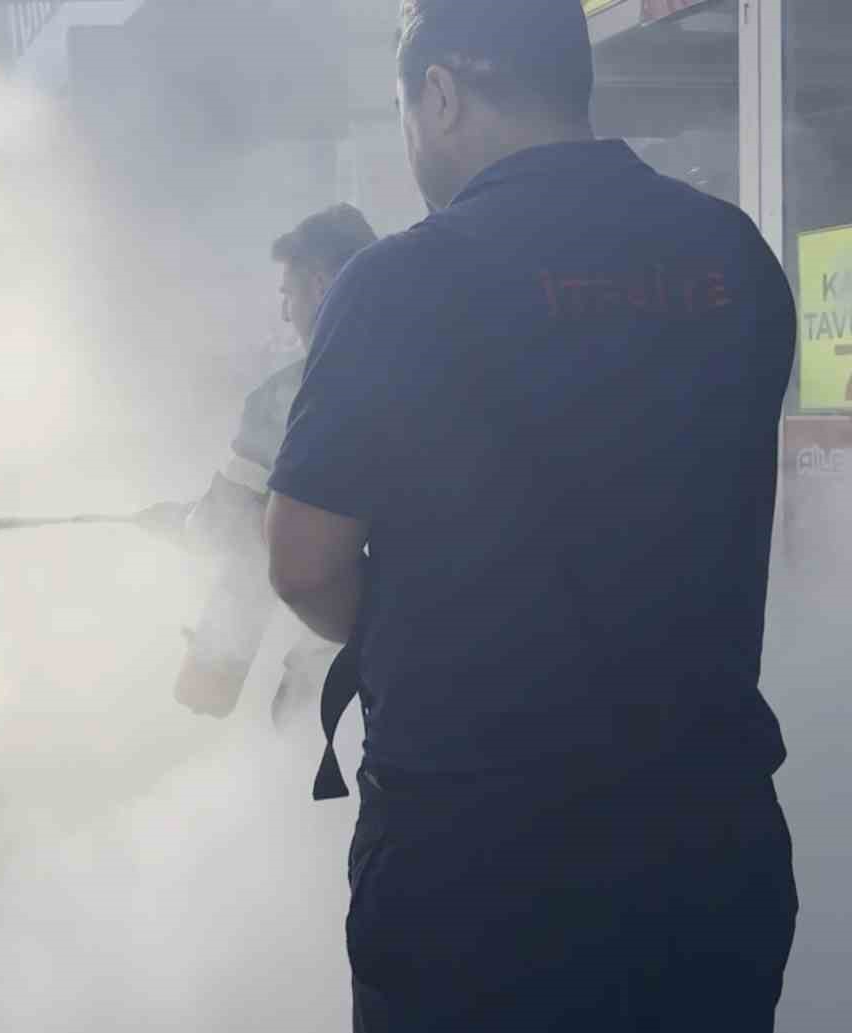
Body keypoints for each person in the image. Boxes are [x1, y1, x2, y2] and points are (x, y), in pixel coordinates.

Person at [264, 1, 798, 1029]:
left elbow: (300, 561)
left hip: (476, 875)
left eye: (407, 111)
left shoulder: (400, 281)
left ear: (441, 92)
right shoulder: (734, 260)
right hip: (703, 856)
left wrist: (404, 622)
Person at [141, 204, 377, 726]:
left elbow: (234, 529)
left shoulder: (288, 396)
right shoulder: (431, 366)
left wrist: (178, 523)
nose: (283, 314)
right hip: (438, 659)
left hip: (334, 677)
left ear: (318, 285)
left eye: (286, 295)